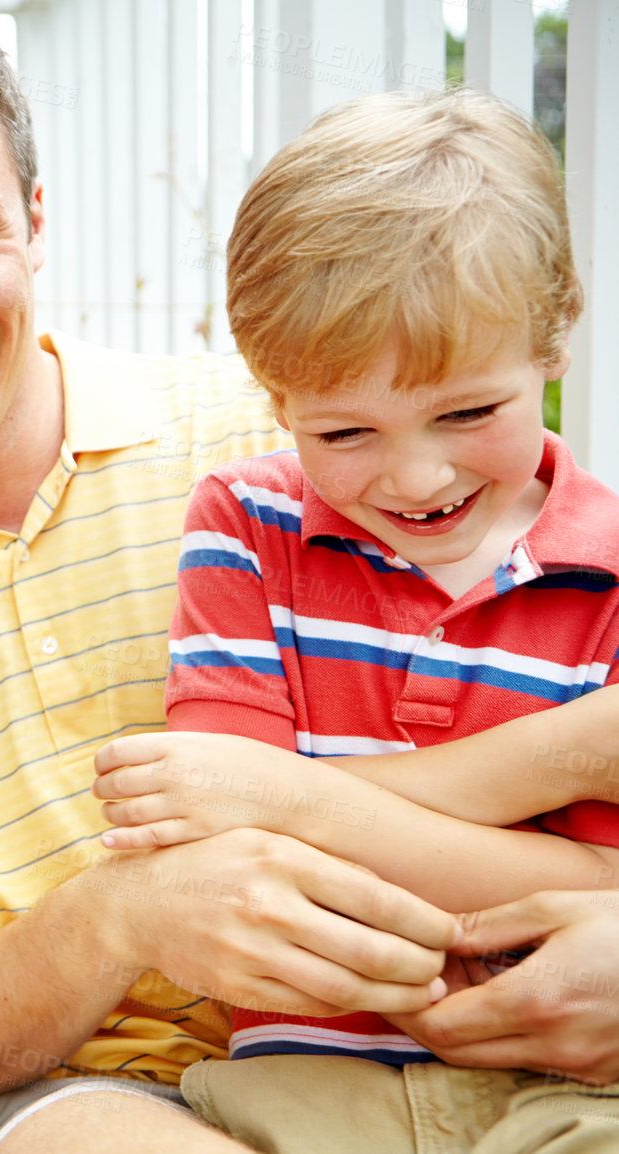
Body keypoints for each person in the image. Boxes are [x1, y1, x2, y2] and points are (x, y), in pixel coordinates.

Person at [0, 7, 464, 1153]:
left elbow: (542, 641)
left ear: (35, 224)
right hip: (112, 1102)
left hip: (413, 1038)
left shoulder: (262, 435)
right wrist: (123, 916)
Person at [92, 88, 619, 1150]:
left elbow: (599, 893)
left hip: (562, 1083)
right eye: (344, 430)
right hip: (305, 1083)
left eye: (467, 409)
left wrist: (291, 793)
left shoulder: (606, 574)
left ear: (553, 333)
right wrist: (562, 758)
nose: (416, 474)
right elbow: (228, 835)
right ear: (274, 397)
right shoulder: (247, 526)